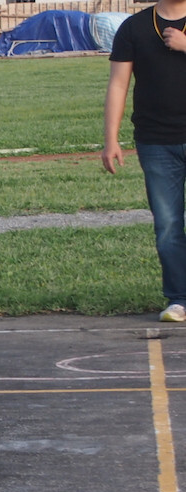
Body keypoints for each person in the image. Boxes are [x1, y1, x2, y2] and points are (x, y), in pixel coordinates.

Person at [102, 0, 186, 322]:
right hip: (155, 141)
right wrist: (111, 139)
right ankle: (179, 298)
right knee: (167, 226)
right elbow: (118, 84)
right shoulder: (134, 27)